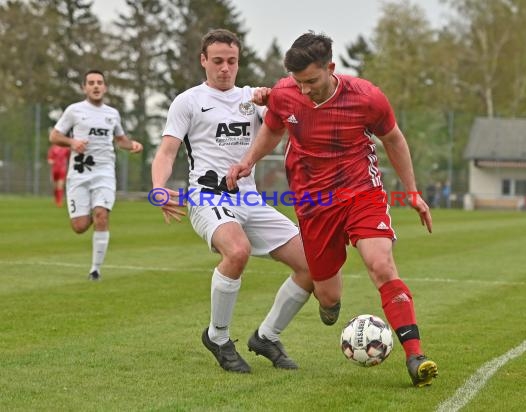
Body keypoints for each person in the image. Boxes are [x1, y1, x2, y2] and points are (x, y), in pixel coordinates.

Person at [227, 32, 438, 387]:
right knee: (328, 296)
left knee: (381, 264)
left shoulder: (367, 97)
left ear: (331, 68)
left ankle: (415, 356)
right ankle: (327, 304)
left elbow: (394, 139)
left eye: (311, 81)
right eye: (298, 82)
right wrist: (248, 160)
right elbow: (272, 130)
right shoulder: (284, 94)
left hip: (361, 193)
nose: (304, 89)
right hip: (313, 203)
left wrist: (413, 192)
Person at [151, 29, 320, 374]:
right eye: (217, 61)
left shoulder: (252, 99)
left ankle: (267, 336)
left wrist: (273, 100)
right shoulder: (188, 101)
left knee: (313, 266)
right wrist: (158, 188)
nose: (225, 68)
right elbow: (167, 151)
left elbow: (292, 118)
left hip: (251, 199)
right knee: (237, 251)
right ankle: (218, 336)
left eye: (231, 61)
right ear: (203, 61)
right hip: (207, 196)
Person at [49, 69, 143, 281]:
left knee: (101, 215)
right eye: (91, 83)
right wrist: (73, 142)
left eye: (99, 82)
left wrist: (132, 145)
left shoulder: (112, 114)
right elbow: (54, 135)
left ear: (105, 87)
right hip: (79, 174)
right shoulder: (74, 111)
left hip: (104, 173)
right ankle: (93, 208)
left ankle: (95, 270)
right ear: (84, 87)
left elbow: (120, 140)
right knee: (80, 227)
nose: (96, 86)